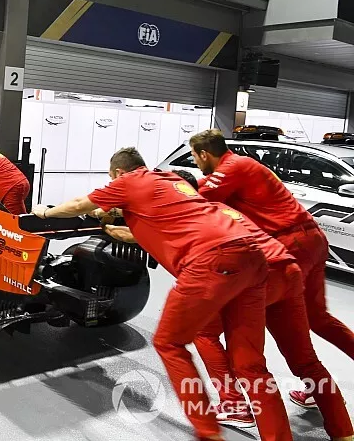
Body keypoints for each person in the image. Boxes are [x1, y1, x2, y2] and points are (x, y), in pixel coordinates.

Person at [31, 147, 292, 441]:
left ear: (118, 173)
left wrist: (46, 212)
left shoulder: (129, 180)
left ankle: (208, 432)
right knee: (251, 364)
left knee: (169, 343)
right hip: (252, 258)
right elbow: (137, 230)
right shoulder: (168, 180)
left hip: (210, 260)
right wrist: (110, 218)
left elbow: (80, 203)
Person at [147, 170, 351, 439]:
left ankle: (233, 404)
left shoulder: (186, 219)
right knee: (305, 359)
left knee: (213, 340)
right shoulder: (223, 207)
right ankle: (343, 431)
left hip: (249, 284)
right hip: (286, 272)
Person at [190, 129, 354, 408]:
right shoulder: (241, 165)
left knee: (281, 318)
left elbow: (194, 202)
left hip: (289, 244)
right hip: (312, 239)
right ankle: (314, 384)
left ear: (205, 154)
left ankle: (254, 397)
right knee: (317, 317)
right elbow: (201, 185)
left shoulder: (231, 168)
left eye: (194, 157)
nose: (194, 162)